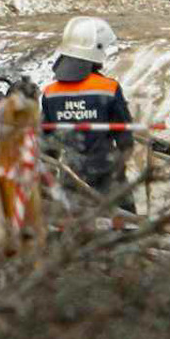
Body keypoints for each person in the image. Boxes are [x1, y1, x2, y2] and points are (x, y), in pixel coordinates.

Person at [40, 16, 135, 207]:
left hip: (71, 177)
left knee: (76, 230)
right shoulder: (108, 88)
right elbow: (125, 136)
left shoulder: (50, 93)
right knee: (124, 227)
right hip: (108, 175)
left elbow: (46, 146)